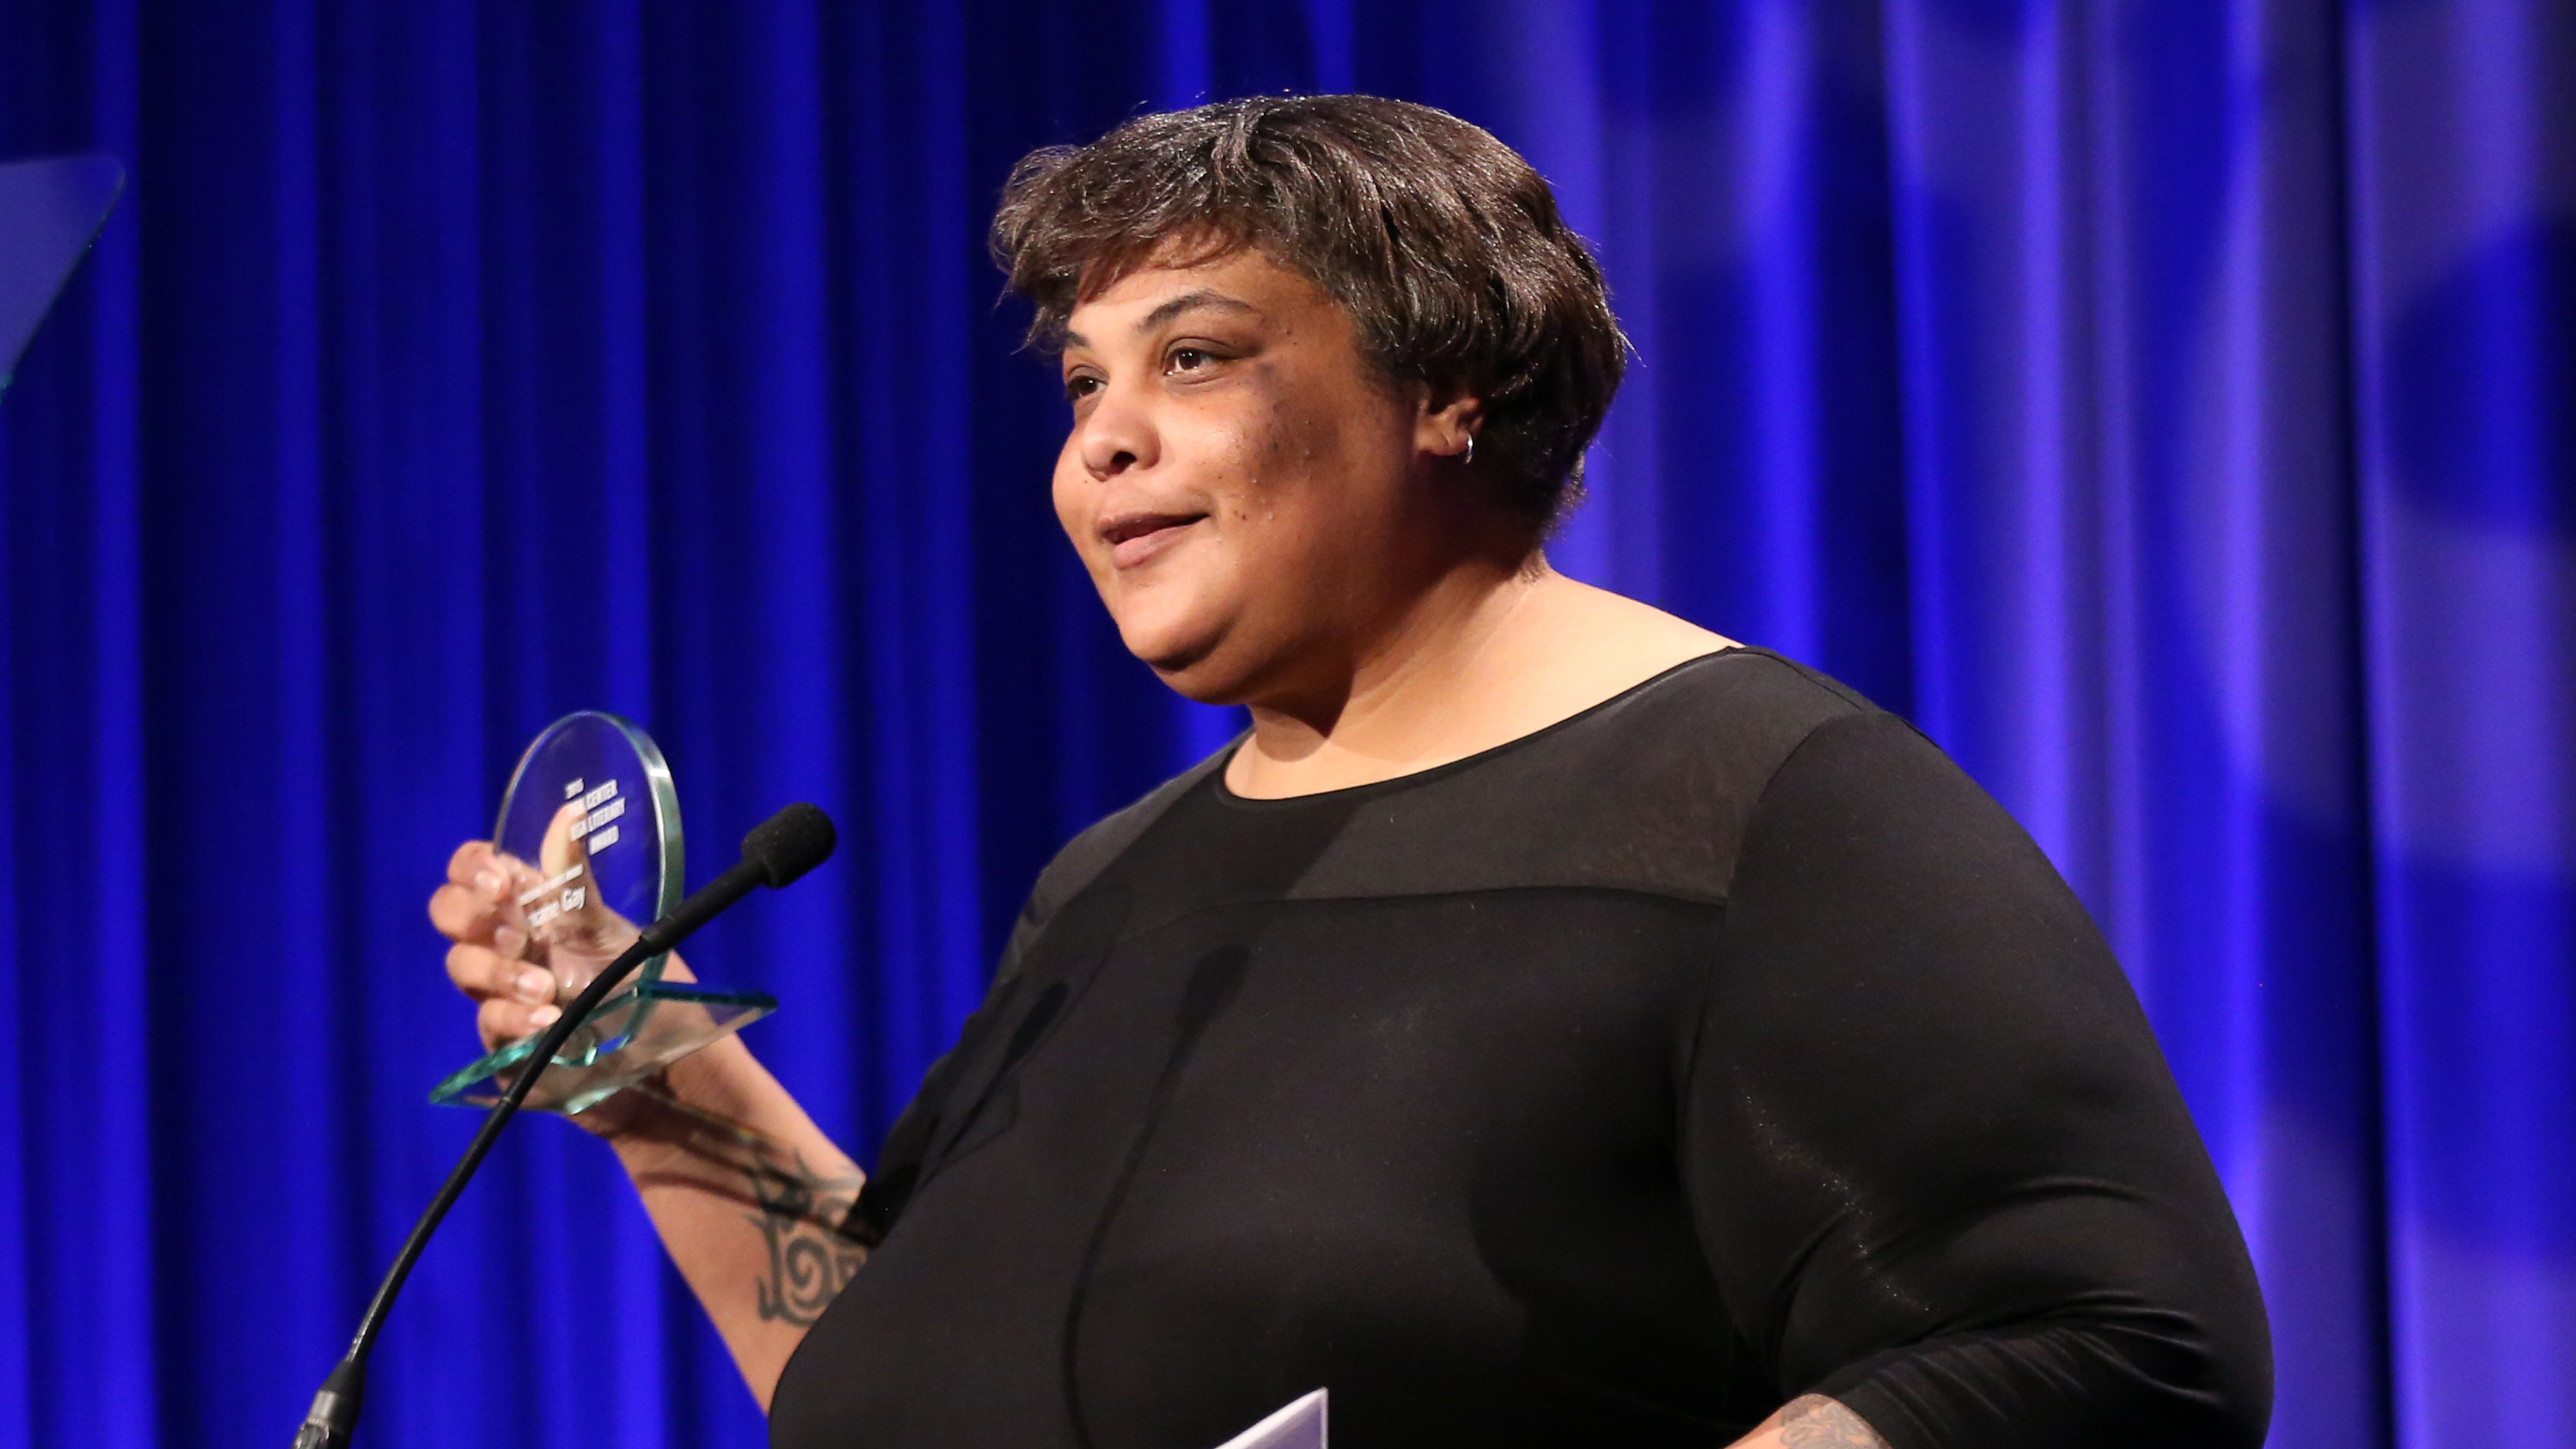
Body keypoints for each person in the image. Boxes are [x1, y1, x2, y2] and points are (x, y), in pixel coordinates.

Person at [430, 95, 2270, 1449]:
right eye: (1081, 388)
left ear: (1445, 387)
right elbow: (889, 1377)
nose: (1108, 446)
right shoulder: (1114, 885)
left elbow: (2109, 1340)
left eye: (1198, 357)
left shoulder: (1760, 806)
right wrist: (653, 1068)